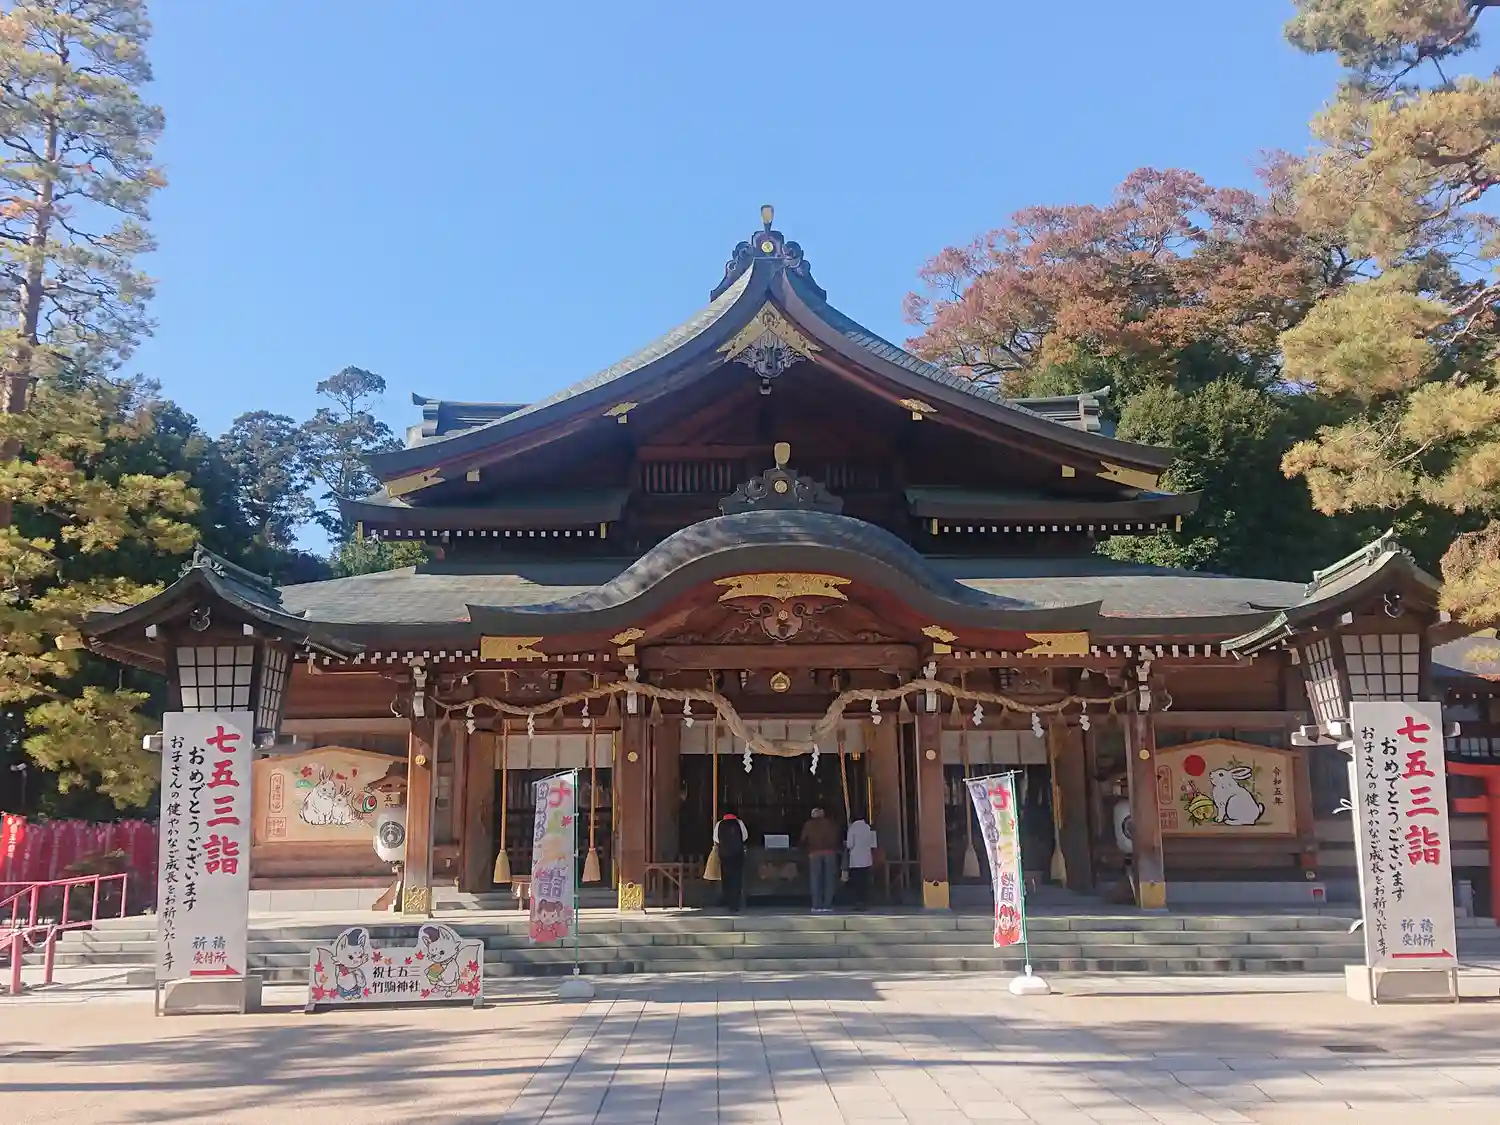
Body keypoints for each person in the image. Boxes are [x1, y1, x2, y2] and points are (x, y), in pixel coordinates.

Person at [800, 806, 840, 913]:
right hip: (830, 853)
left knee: (815, 880)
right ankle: (827, 905)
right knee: (829, 880)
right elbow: (837, 836)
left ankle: (816, 905)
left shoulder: (808, 825)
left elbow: (803, 839)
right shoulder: (831, 824)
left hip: (814, 853)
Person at [713, 809, 748, 913]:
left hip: (724, 854)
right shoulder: (739, 823)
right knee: (737, 877)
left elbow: (716, 838)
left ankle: (728, 901)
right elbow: (745, 836)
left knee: (726, 877)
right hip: (737, 854)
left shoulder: (719, 824)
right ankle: (735, 902)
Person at [844, 812, 877, 911]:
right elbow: (873, 844)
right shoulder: (868, 828)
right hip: (867, 858)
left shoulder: (852, 828)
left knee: (857, 882)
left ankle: (858, 902)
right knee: (864, 881)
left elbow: (850, 844)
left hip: (856, 859)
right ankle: (865, 902)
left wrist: (845, 843)